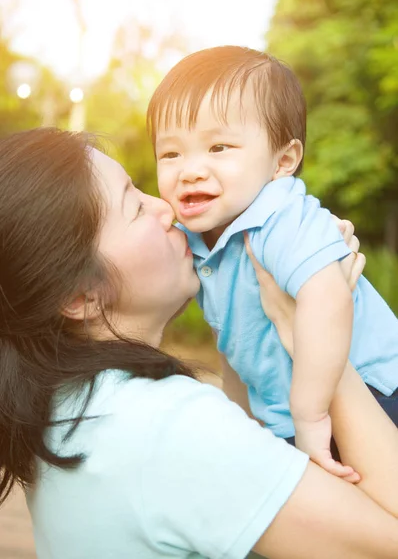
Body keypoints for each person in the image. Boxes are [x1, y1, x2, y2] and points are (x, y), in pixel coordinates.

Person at [0, 128, 398, 559]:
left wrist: (250, 306)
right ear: (80, 296)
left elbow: (257, 447)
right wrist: (318, 329)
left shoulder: (70, 408)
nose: (165, 209)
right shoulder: (166, 429)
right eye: (134, 208)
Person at [148, 45, 398, 476]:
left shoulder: (278, 214)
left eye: (218, 147)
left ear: (283, 161)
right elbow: (233, 344)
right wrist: (244, 423)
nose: (189, 170)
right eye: (171, 153)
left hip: (372, 393)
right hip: (296, 418)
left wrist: (310, 413)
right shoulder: (200, 237)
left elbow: (328, 297)